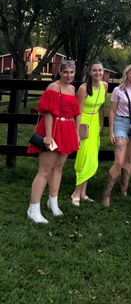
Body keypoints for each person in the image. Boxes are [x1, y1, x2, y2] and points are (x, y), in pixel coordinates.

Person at [27, 60, 80, 223]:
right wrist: (49, 135)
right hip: (53, 129)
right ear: (60, 72)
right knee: (45, 170)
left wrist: (77, 133)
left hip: (67, 129)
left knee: (59, 167)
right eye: (66, 72)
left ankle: (53, 201)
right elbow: (48, 113)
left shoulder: (72, 89)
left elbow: (76, 113)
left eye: (72, 72)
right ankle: (33, 208)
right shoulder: (53, 87)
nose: (69, 75)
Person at [102, 64, 131, 207]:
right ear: (126, 74)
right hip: (121, 124)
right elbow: (112, 111)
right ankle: (106, 193)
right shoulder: (118, 90)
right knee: (119, 160)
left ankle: (124, 190)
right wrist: (111, 131)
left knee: (129, 159)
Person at [71, 61, 108, 206]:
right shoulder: (83, 89)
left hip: (95, 125)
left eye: (100, 70)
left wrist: (101, 125)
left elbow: (101, 107)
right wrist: (77, 133)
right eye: (95, 70)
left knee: (92, 158)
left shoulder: (104, 86)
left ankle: (83, 192)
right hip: (84, 123)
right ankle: (76, 192)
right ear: (90, 72)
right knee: (84, 157)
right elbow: (77, 112)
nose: (98, 73)